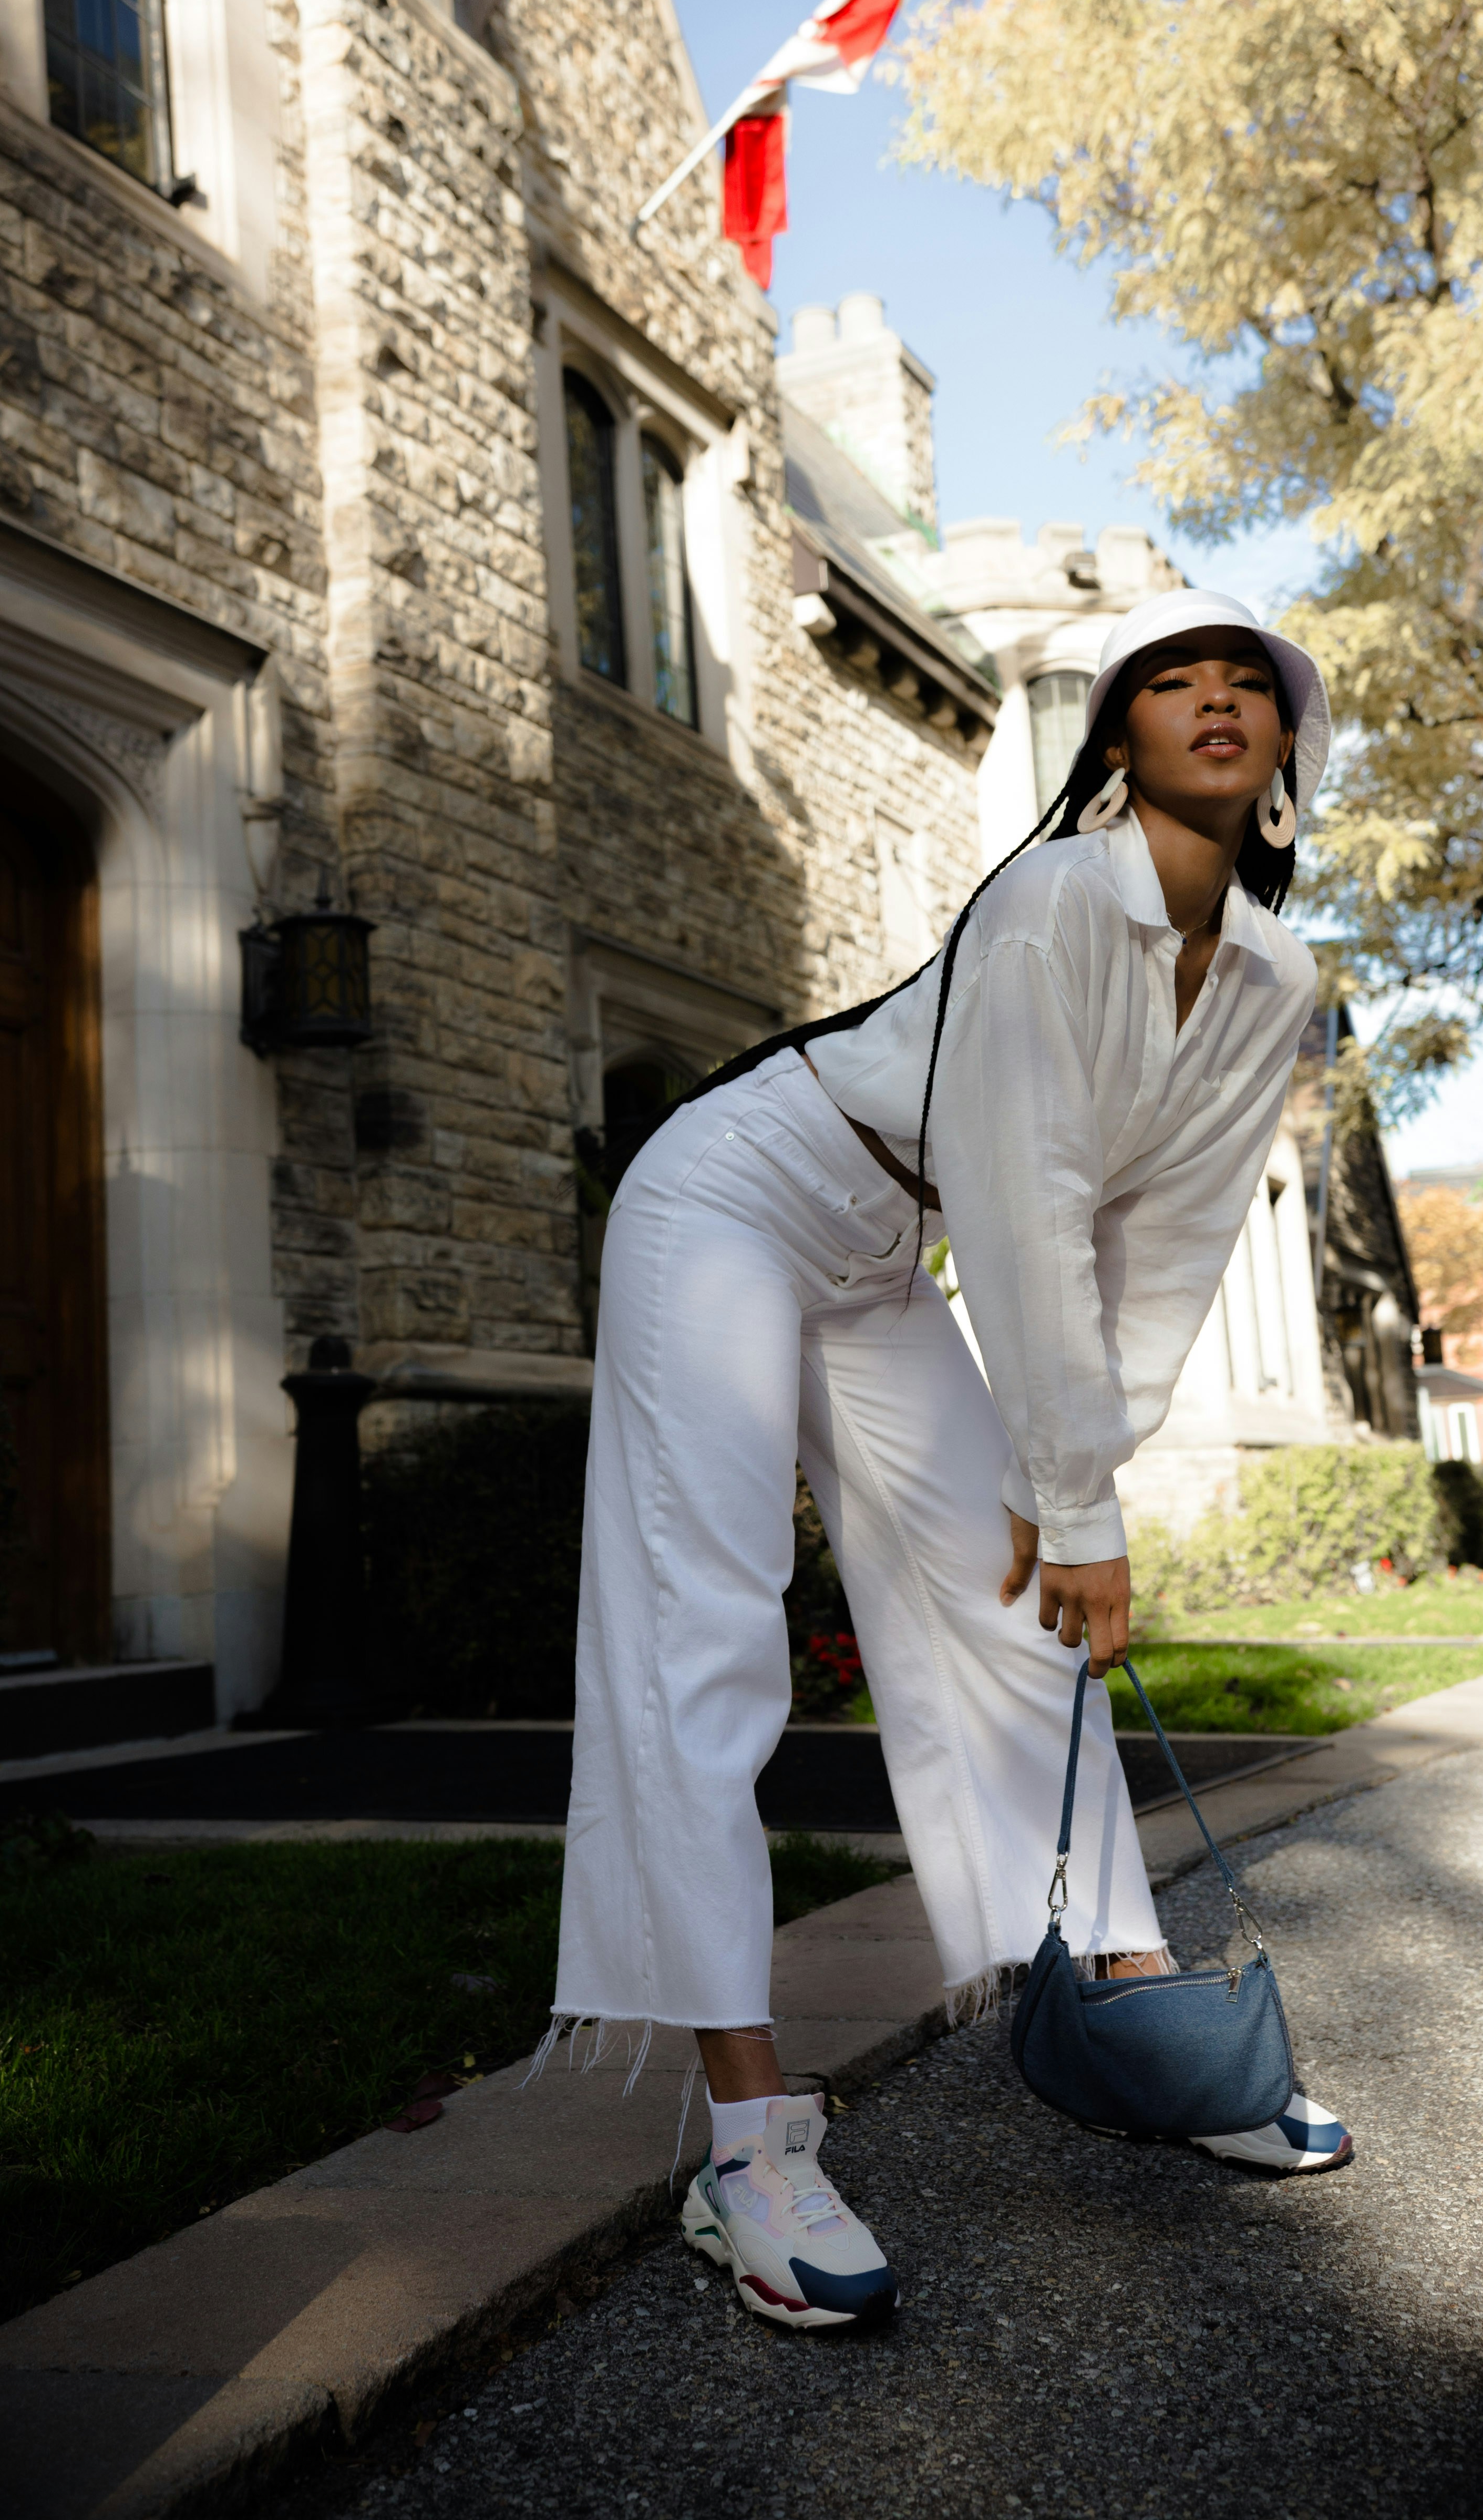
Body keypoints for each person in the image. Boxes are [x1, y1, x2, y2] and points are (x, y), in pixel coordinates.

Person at [548, 588, 1352, 2333]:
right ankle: (748, 2147)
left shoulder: (1276, 974)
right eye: (1171, 684)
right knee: (711, 1643)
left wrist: (1086, 1489)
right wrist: (1077, 1502)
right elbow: (1023, 1196)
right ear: (1117, 740)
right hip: (742, 1191)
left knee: (1016, 1617)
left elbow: (1174, 1243)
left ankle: (1142, 2031)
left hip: (876, 1250)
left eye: (1248, 686)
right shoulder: (1057, 901)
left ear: (1287, 749)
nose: (1214, 703)